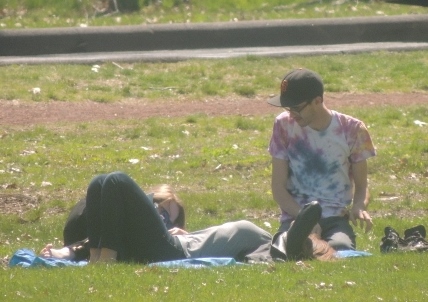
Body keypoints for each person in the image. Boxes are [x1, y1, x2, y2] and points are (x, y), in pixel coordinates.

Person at [40, 172, 336, 264]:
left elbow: (271, 256)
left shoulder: (266, 244)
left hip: (168, 250)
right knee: (100, 182)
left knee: (114, 180)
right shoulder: (258, 237)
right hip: (161, 246)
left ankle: (102, 262)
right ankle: (97, 259)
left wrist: (301, 244)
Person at [267, 68, 376, 251]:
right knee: (289, 251)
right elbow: (278, 187)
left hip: (335, 218)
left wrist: (358, 206)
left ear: (317, 101)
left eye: (296, 107)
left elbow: (362, 186)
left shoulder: (352, 129)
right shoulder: (283, 125)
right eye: (288, 108)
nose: (291, 114)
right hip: (296, 217)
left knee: (340, 250)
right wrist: (304, 219)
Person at [41, 177, 186, 261]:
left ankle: (69, 252)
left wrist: (185, 236)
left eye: (166, 218)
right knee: (104, 181)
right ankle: (71, 252)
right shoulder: (121, 203)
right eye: (158, 207)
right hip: (87, 227)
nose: (159, 216)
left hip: (90, 240)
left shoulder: (165, 241)